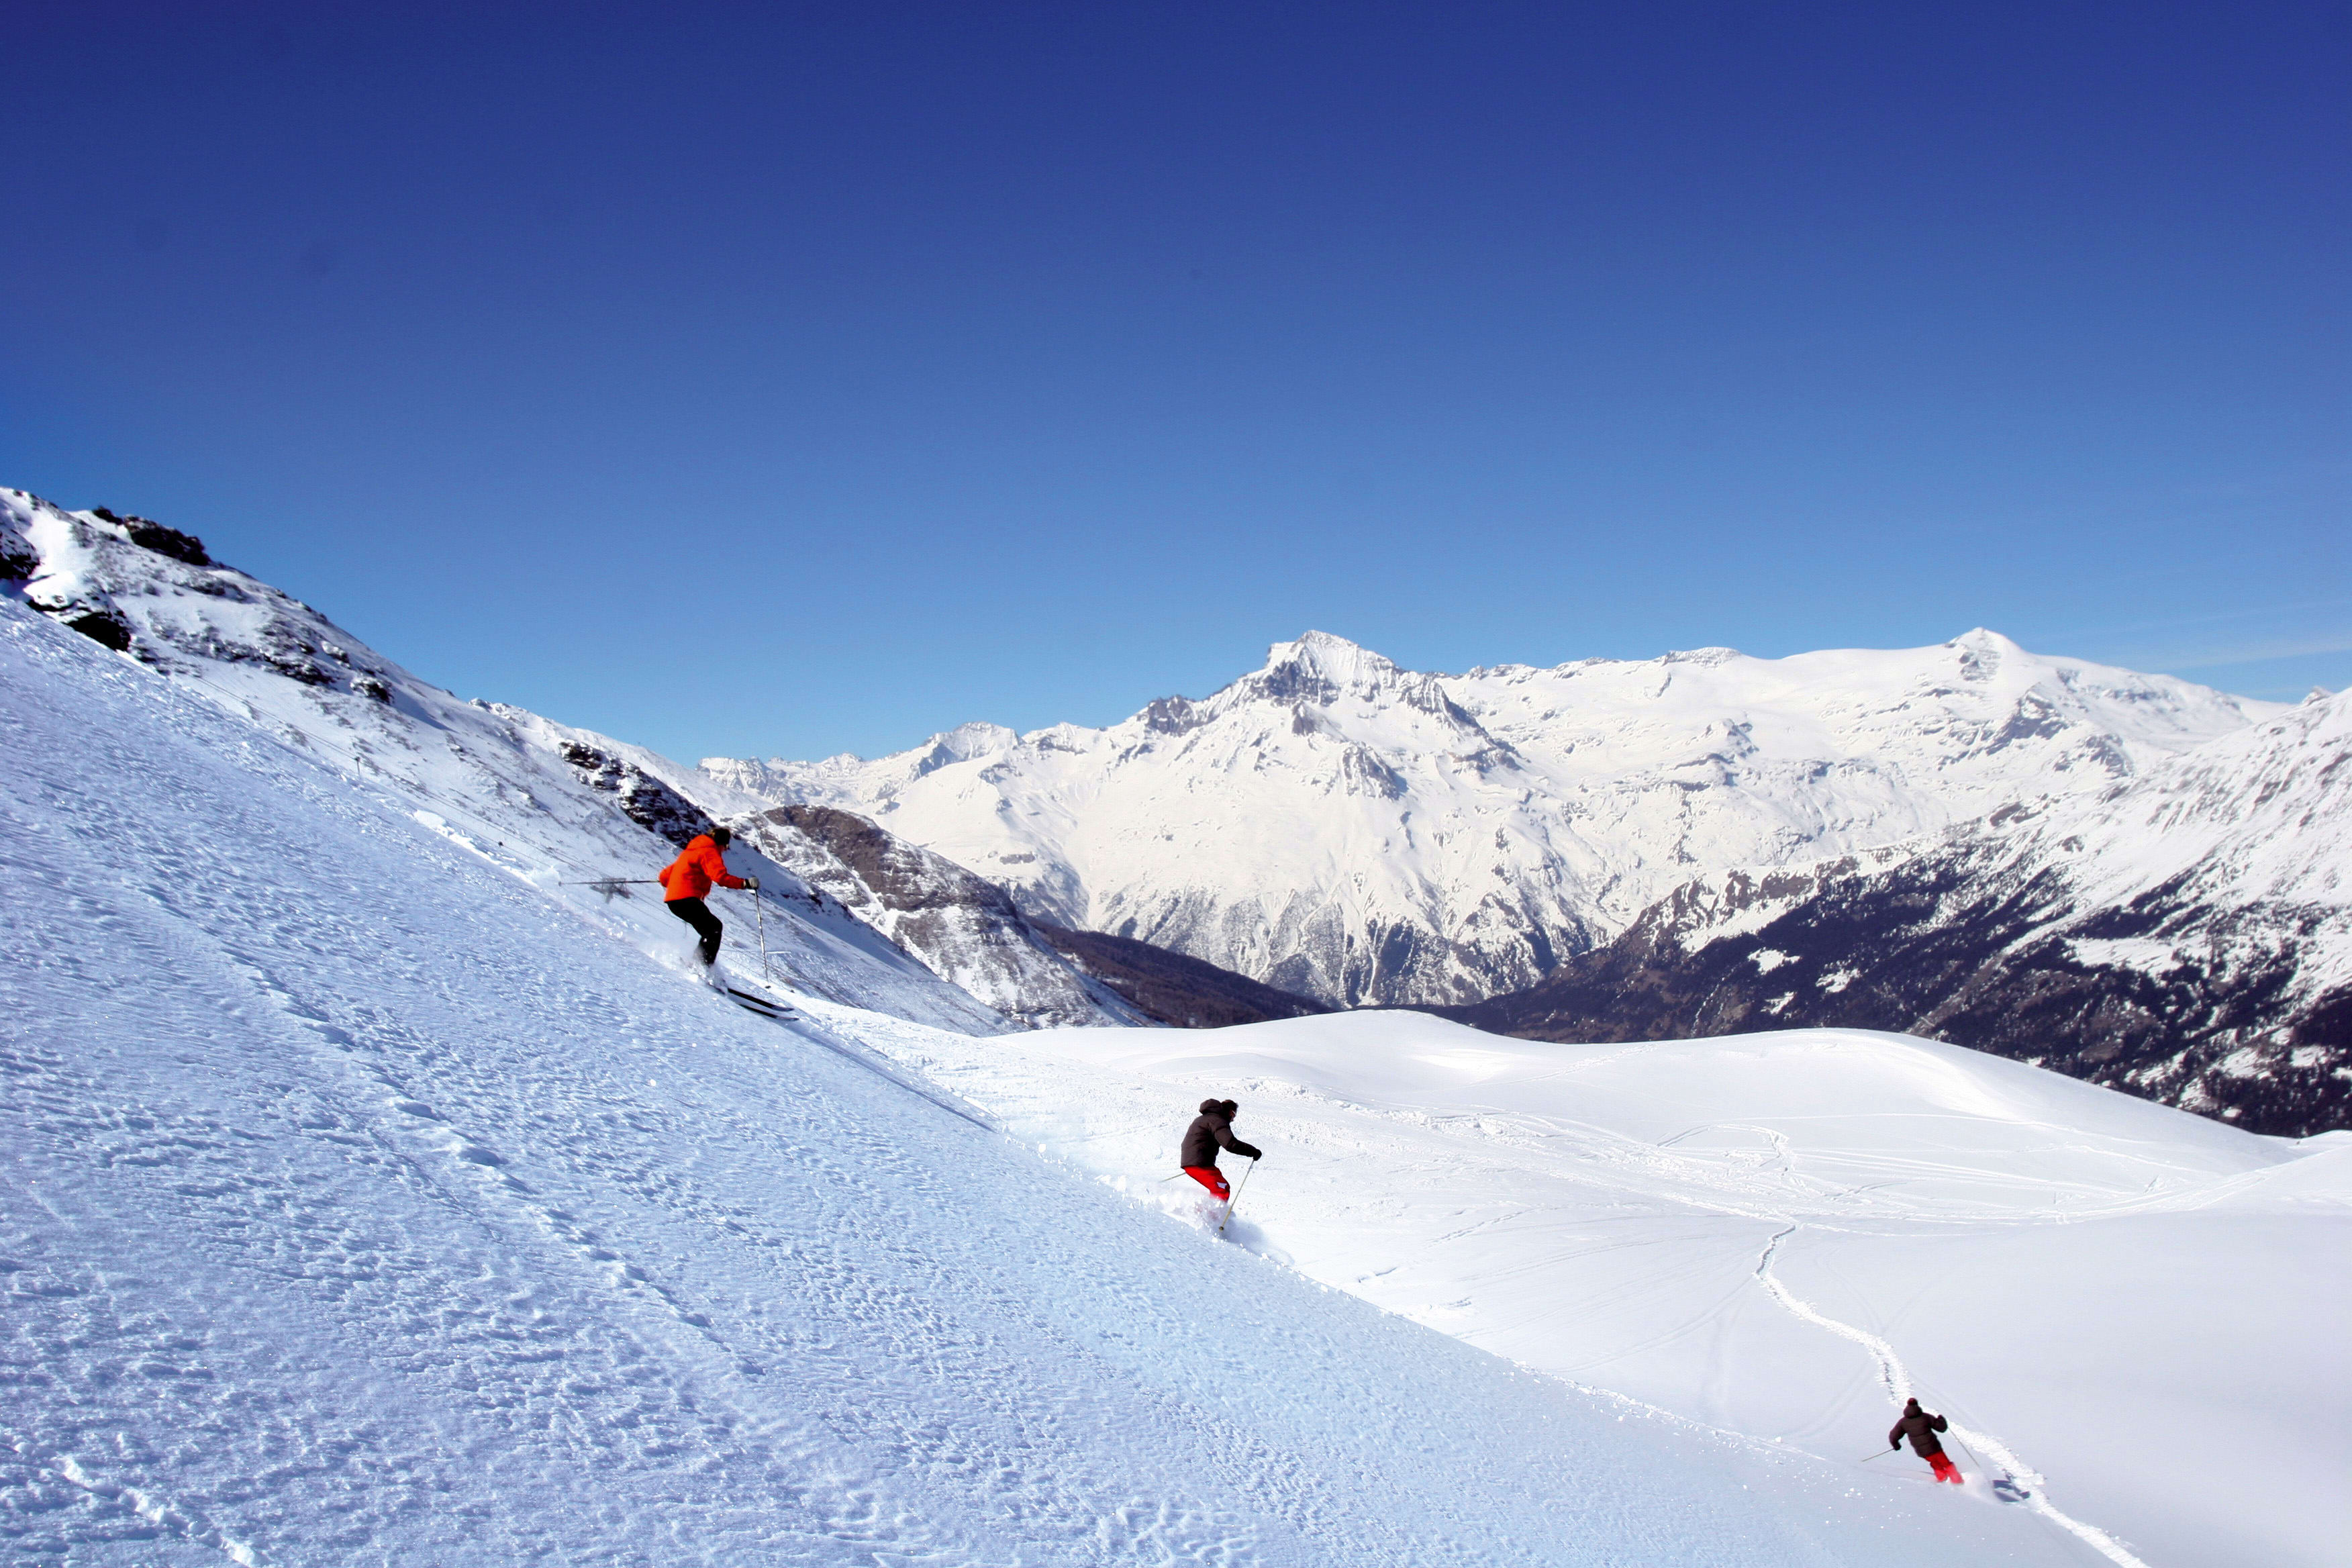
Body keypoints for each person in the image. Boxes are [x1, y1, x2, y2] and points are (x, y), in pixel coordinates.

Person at [658, 826, 756, 966]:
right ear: (723, 844)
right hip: (687, 899)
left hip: (673, 901)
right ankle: (702, 966)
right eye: (726, 847)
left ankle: (697, 964)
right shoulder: (710, 851)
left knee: (709, 930)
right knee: (714, 929)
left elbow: (664, 876)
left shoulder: (690, 852)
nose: (724, 851)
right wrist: (745, 883)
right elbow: (720, 877)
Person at [1179, 1097, 1261, 1201]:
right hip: (1199, 1163)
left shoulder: (1203, 1119)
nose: (1233, 1119)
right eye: (1233, 1115)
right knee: (1221, 1188)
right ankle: (1213, 1215)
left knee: (1221, 1185)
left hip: (1195, 1161)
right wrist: (1253, 1151)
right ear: (1230, 1112)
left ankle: (1206, 1212)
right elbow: (1230, 1144)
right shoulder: (1217, 1120)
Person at [1889, 1398, 1962, 1483]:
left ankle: (1941, 1477)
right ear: (1917, 1406)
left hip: (1922, 1451)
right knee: (1946, 1463)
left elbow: (1893, 1436)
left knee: (1934, 1462)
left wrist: (1896, 1445)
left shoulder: (1903, 1422)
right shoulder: (1926, 1417)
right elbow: (1942, 1429)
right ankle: (1957, 1481)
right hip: (1934, 1447)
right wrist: (1942, 1420)